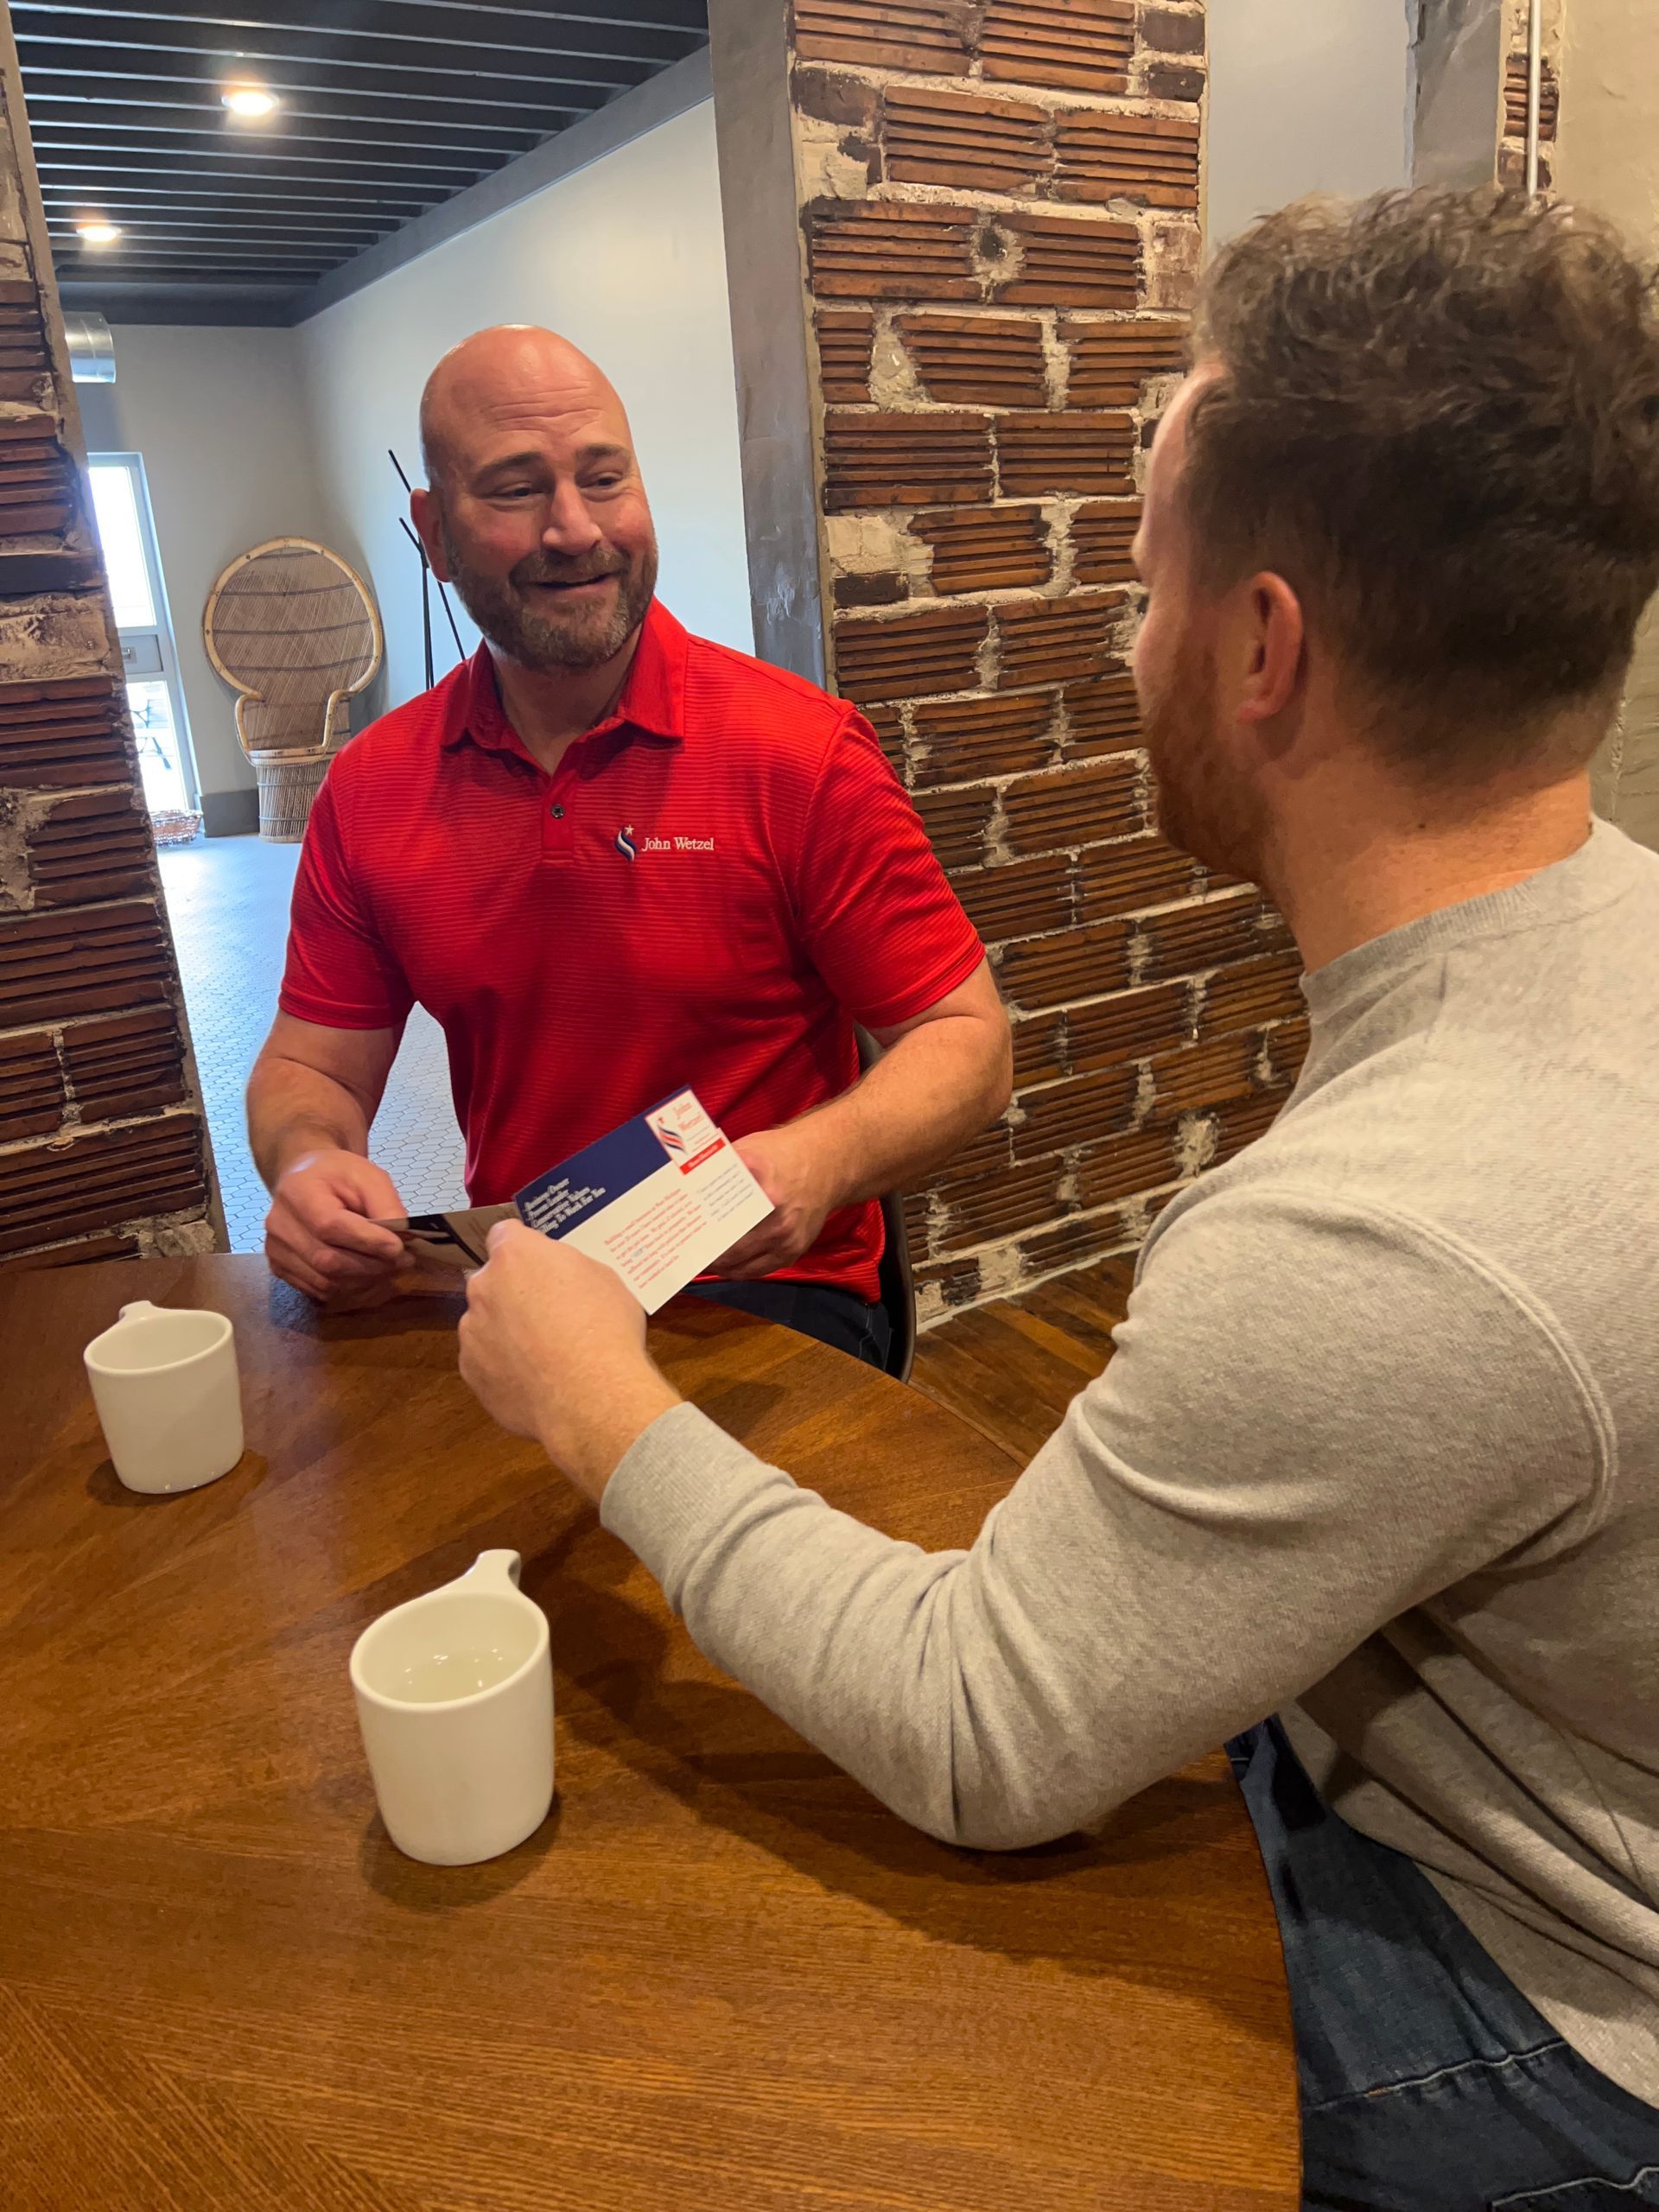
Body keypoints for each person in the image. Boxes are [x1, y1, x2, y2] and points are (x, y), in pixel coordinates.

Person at [455, 192, 1659, 2203]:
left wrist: (591, 1389)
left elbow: (976, 1730)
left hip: (1555, 2015)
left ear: (1261, 648)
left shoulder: (1373, 1238)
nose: (1124, 645)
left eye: (1139, 587)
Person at [247, 326, 1011, 1366]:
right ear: (432, 529)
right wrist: (303, 1165)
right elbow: (312, 1069)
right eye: (517, 489)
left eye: (604, 478)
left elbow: (969, 1041)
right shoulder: (374, 788)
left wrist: (819, 1160)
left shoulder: (799, 752)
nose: (575, 529)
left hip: (766, 1295)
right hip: (534, 1290)